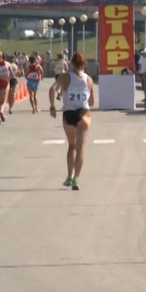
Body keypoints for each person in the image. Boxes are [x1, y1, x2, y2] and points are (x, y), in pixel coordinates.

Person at [48, 52, 95, 191]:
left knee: (71, 146)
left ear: (71, 63)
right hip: (83, 114)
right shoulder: (89, 79)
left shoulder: (64, 77)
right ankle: (76, 178)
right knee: (81, 148)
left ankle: (69, 175)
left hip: (68, 114)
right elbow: (91, 102)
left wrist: (52, 107)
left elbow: (52, 90)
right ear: (84, 64)